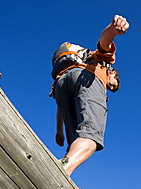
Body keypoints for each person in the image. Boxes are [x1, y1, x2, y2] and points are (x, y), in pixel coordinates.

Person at [53, 15, 129, 176]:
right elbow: (104, 42)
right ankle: (59, 173)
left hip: (61, 83)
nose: (108, 87)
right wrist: (113, 29)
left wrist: (59, 131)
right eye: (111, 84)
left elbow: (60, 106)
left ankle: (63, 167)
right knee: (91, 136)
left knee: (75, 141)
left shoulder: (81, 62)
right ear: (112, 73)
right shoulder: (103, 63)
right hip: (87, 78)